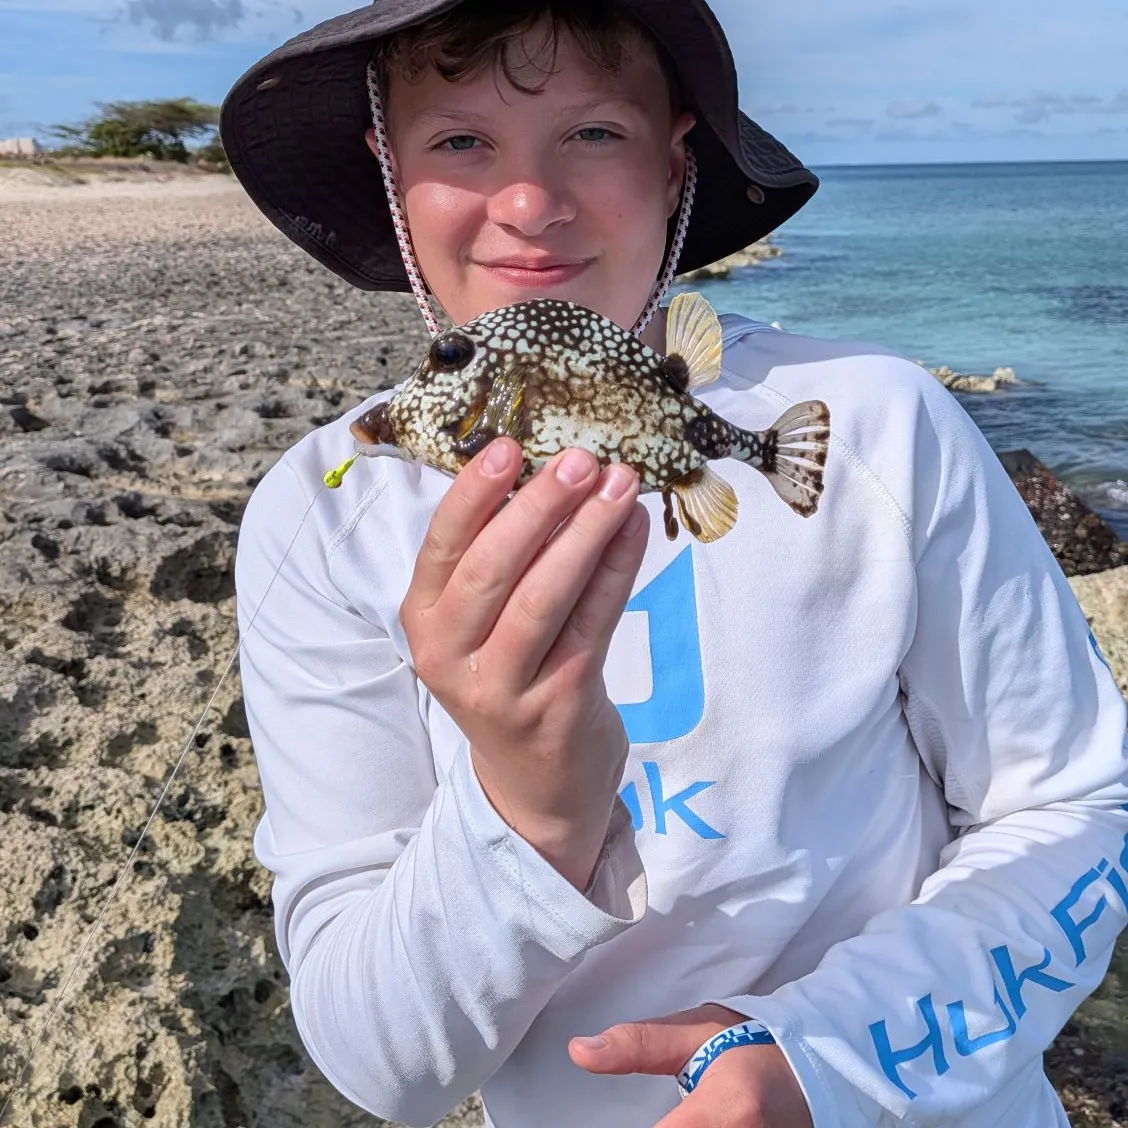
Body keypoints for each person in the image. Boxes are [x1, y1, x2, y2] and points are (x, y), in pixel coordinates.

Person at [220, 1, 1128, 1125]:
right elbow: (385, 1069)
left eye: (594, 133)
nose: (529, 204)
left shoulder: (880, 426)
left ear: (673, 162)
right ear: (390, 170)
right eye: (460, 141)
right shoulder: (318, 520)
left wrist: (823, 1060)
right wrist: (532, 806)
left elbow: (1079, 804)